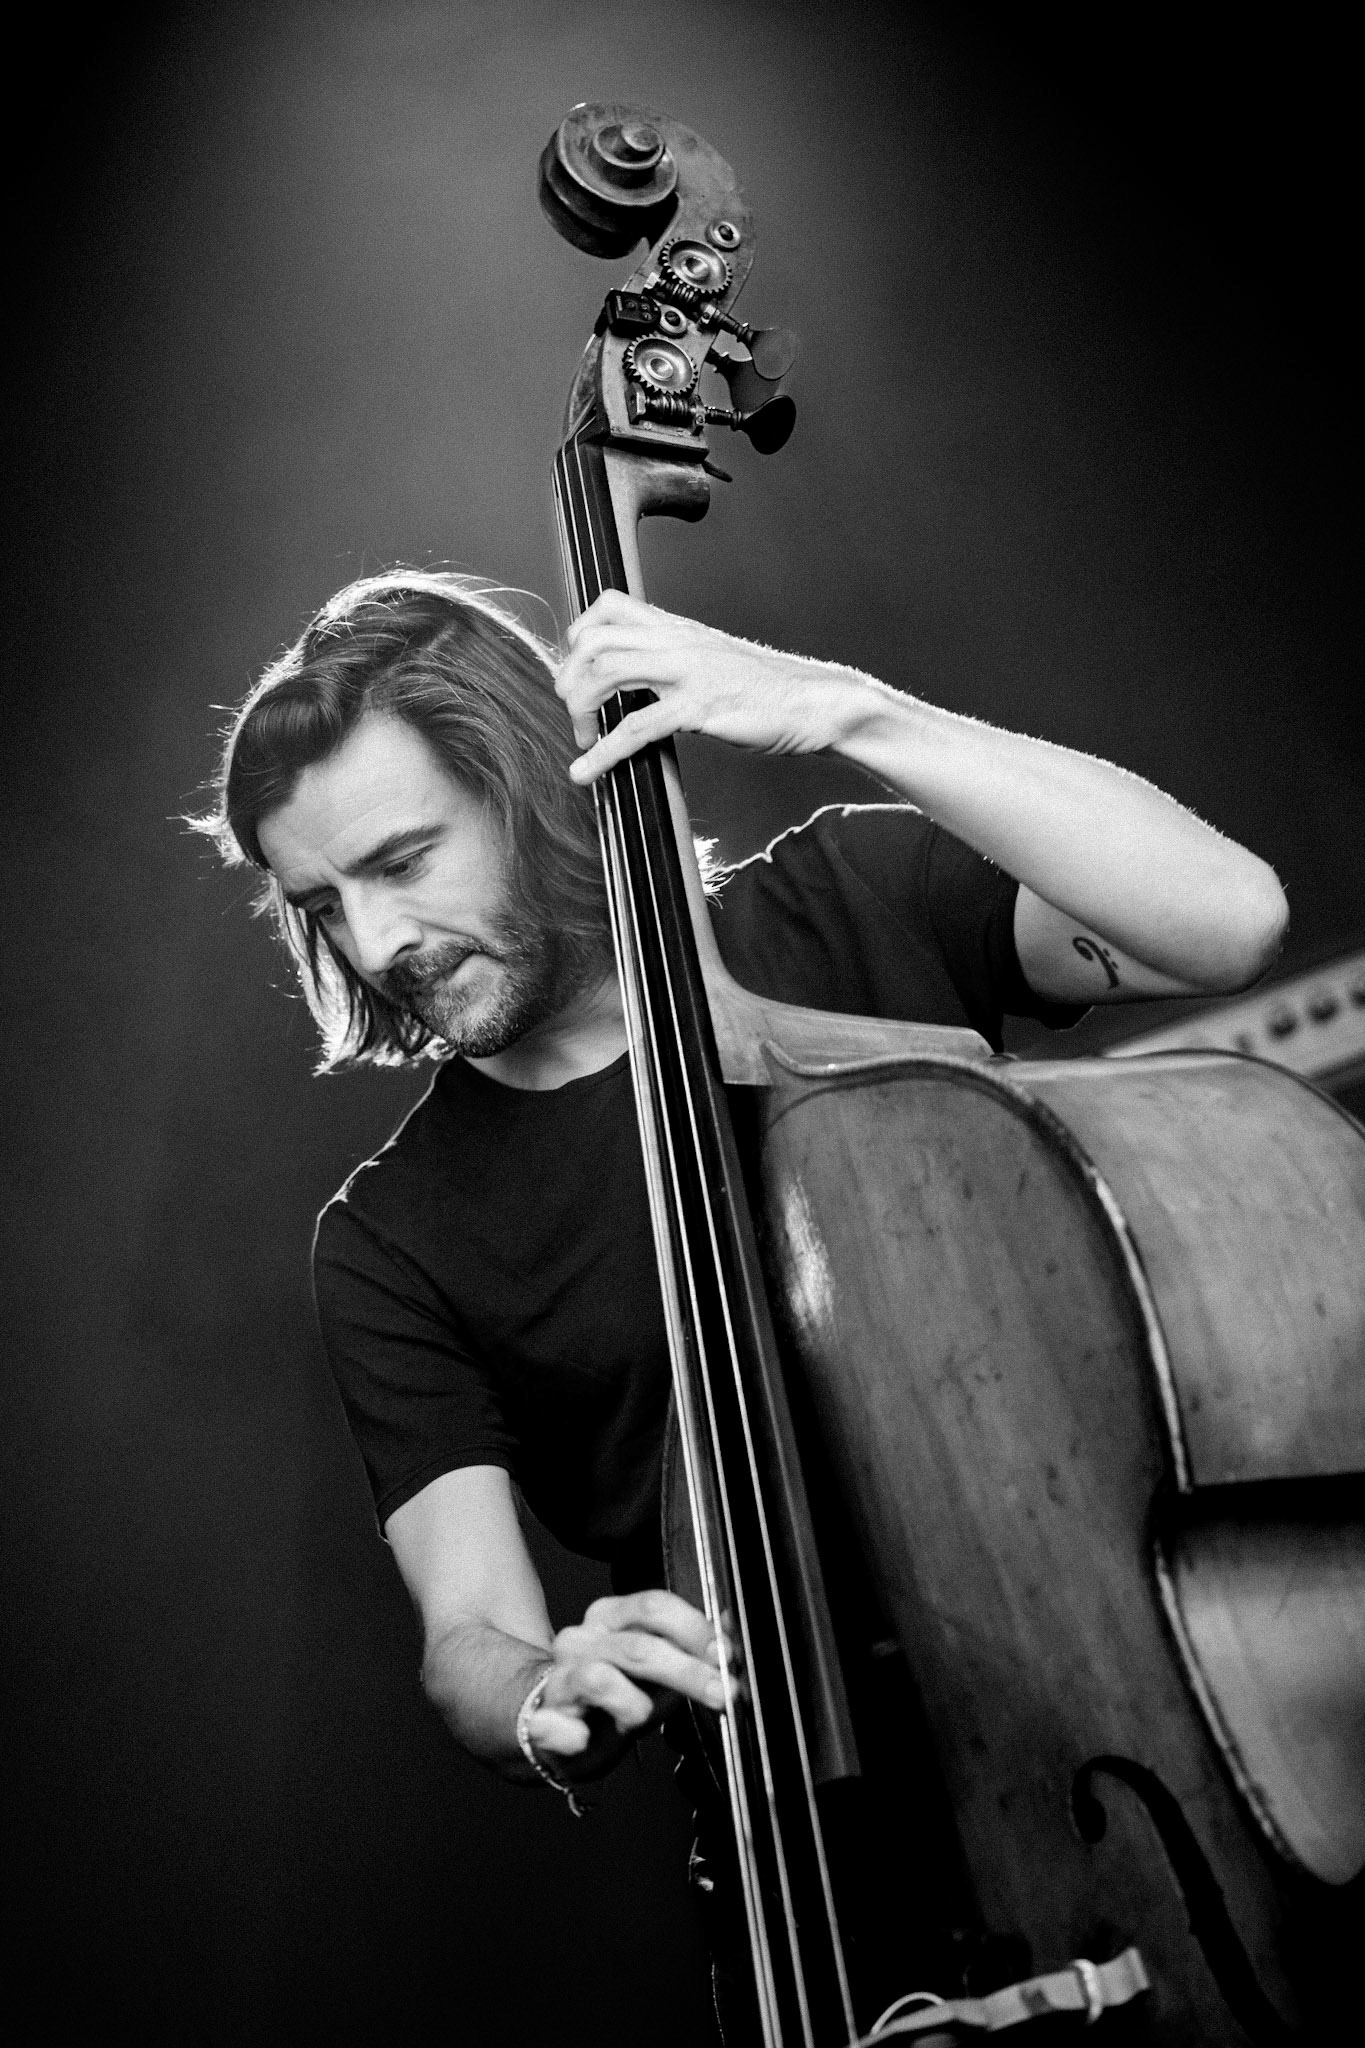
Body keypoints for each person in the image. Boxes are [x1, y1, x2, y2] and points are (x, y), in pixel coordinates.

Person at [200, 566, 1286, 2014]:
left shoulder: (846, 901)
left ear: (534, 787)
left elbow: (1224, 920)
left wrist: (849, 710)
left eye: (402, 861)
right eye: (322, 905)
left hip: (1139, 1721)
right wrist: (542, 1694)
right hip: (815, 1864)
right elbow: (468, 1632)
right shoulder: (391, 1237)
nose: (376, 943)